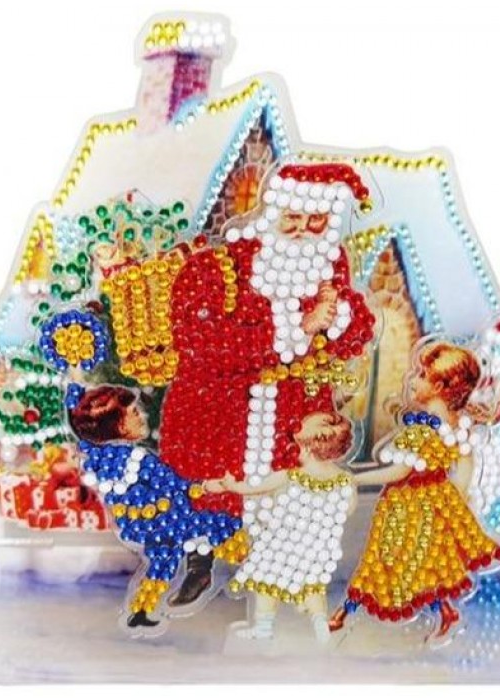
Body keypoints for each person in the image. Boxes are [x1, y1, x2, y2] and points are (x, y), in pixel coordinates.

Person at [158, 163, 376, 606]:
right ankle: (200, 563)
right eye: (292, 218)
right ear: (273, 212)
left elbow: (356, 331)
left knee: (283, 491)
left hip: (292, 408)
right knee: (212, 487)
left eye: (316, 221)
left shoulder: (327, 265)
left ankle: (278, 577)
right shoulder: (218, 267)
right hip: (224, 403)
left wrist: (338, 317)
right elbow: (199, 338)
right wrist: (299, 327)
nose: (303, 230)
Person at [329, 342, 500, 640]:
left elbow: (397, 473)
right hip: (435, 504)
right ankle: (446, 613)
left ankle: (344, 613)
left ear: (439, 387)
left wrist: (353, 477)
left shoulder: (421, 433)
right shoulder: (457, 427)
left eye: (420, 374)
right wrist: (455, 502)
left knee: (383, 560)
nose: (411, 379)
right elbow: (465, 469)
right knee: (426, 564)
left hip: (405, 509)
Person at [68, 384, 243, 628]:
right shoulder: (139, 460)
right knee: (221, 526)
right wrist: (206, 486)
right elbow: (175, 485)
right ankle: (252, 566)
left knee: (161, 564)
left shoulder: (98, 459)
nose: (142, 415)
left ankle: (140, 612)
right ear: (118, 425)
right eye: (134, 413)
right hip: (167, 520)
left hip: (138, 527)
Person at [203, 411, 356, 643]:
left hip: (282, 546)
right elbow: (348, 508)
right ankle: (320, 627)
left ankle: (263, 629)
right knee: (312, 588)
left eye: (299, 446)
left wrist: (230, 485)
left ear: (308, 448)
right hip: (317, 547)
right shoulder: (345, 480)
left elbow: (253, 488)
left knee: (267, 584)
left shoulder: (290, 476)